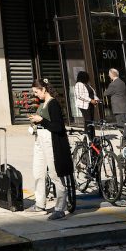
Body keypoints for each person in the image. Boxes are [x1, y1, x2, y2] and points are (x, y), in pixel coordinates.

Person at [29, 79, 76, 219]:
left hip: (50, 141)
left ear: (44, 89)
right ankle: (39, 204)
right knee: (38, 172)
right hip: (39, 140)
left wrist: (41, 120)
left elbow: (58, 126)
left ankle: (60, 208)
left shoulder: (53, 103)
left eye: (37, 92)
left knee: (55, 174)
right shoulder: (43, 104)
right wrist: (34, 125)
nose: (36, 95)